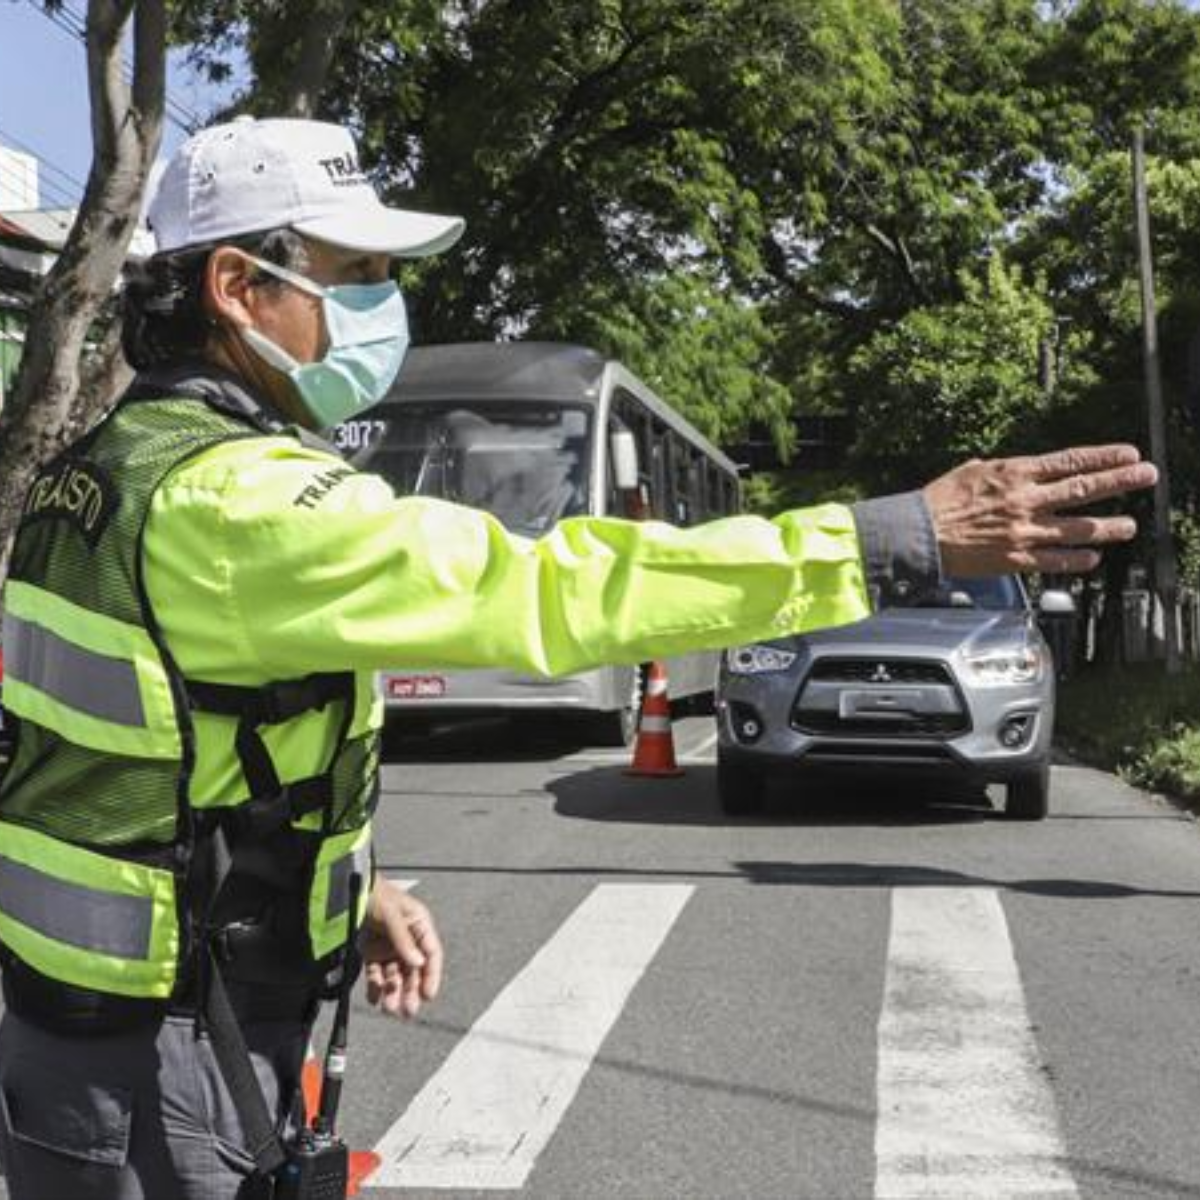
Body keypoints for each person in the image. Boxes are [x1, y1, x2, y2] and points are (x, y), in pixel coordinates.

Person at [0, 115, 1155, 1200]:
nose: (383, 306)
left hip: (101, 1010)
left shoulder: (111, 465)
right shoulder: (239, 503)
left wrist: (348, 890)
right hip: (163, 1047)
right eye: (356, 276)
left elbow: (138, 754)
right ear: (239, 287)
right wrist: (891, 536)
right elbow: (560, 588)